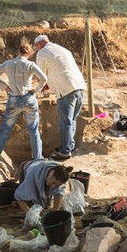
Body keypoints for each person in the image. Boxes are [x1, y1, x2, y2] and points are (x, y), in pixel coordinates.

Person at [0, 38, 49, 164]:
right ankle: (37, 159)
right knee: (34, 130)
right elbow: (44, 78)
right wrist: (36, 90)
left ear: (18, 51)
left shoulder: (8, 63)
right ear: (29, 53)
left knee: (5, 130)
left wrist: (4, 87)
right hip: (29, 98)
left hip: (14, 99)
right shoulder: (30, 65)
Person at [32, 33, 87, 161]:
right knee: (71, 120)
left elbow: (41, 75)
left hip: (65, 90)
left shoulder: (42, 53)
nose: (36, 50)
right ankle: (69, 146)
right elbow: (60, 68)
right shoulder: (63, 49)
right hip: (79, 86)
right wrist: (48, 84)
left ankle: (65, 152)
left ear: (39, 45)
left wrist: (40, 88)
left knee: (65, 123)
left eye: (36, 47)